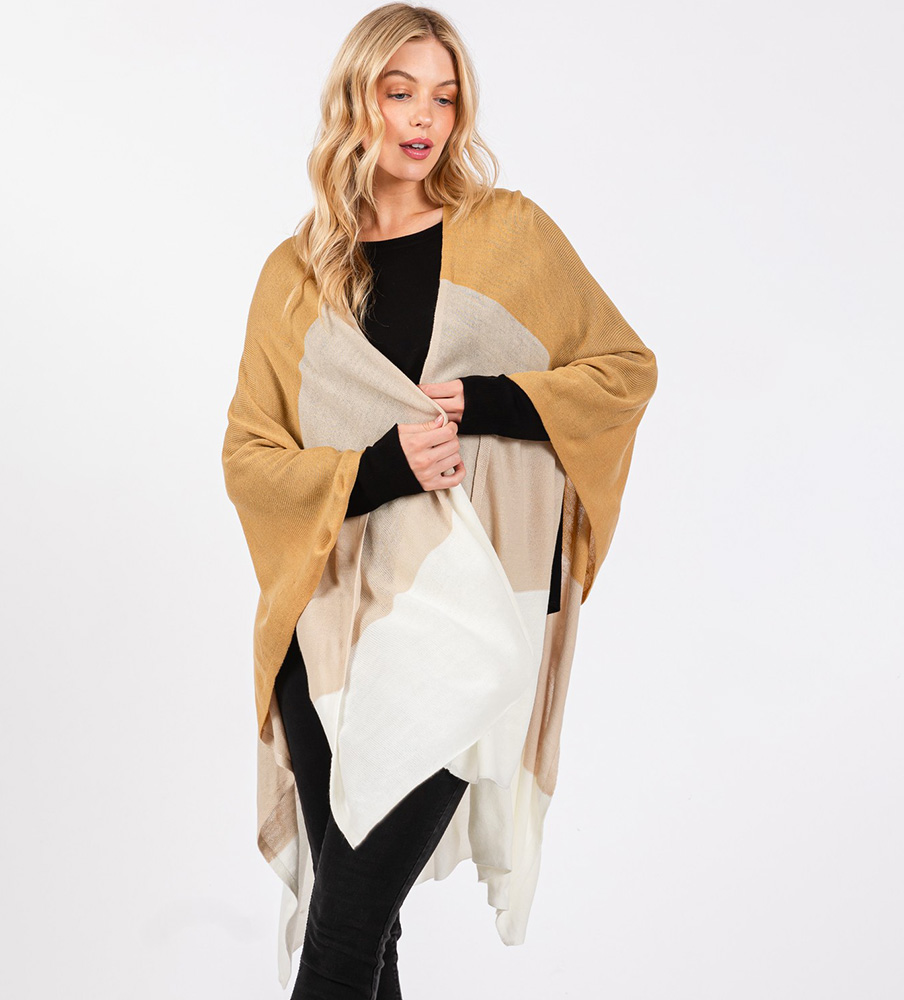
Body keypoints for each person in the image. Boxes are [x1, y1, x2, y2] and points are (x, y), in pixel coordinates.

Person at [221, 5, 657, 998]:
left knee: (343, 939)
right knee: (361, 933)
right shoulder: (294, 276)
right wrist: (379, 466)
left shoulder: (509, 234)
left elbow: (623, 370)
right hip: (324, 626)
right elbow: (250, 457)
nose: (424, 117)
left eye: (445, 97)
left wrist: (493, 401)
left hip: (458, 627)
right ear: (356, 100)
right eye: (399, 91)